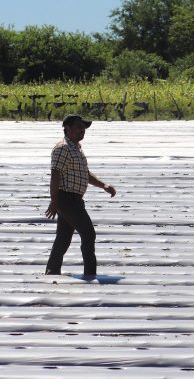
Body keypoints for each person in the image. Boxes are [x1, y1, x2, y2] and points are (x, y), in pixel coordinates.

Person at [45, 114, 116, 277]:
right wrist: (54, 201)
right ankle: (90, 273)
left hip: (74, 199)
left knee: (63, 237)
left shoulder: (76, 148)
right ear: (67, 128)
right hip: (66, 198)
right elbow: (55, 175)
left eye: (83, 128)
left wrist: (103, 185)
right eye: (79, 128)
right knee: (88, 233)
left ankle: (52, 270)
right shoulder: (62, 148)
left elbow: (84, 174)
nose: (82, 131)